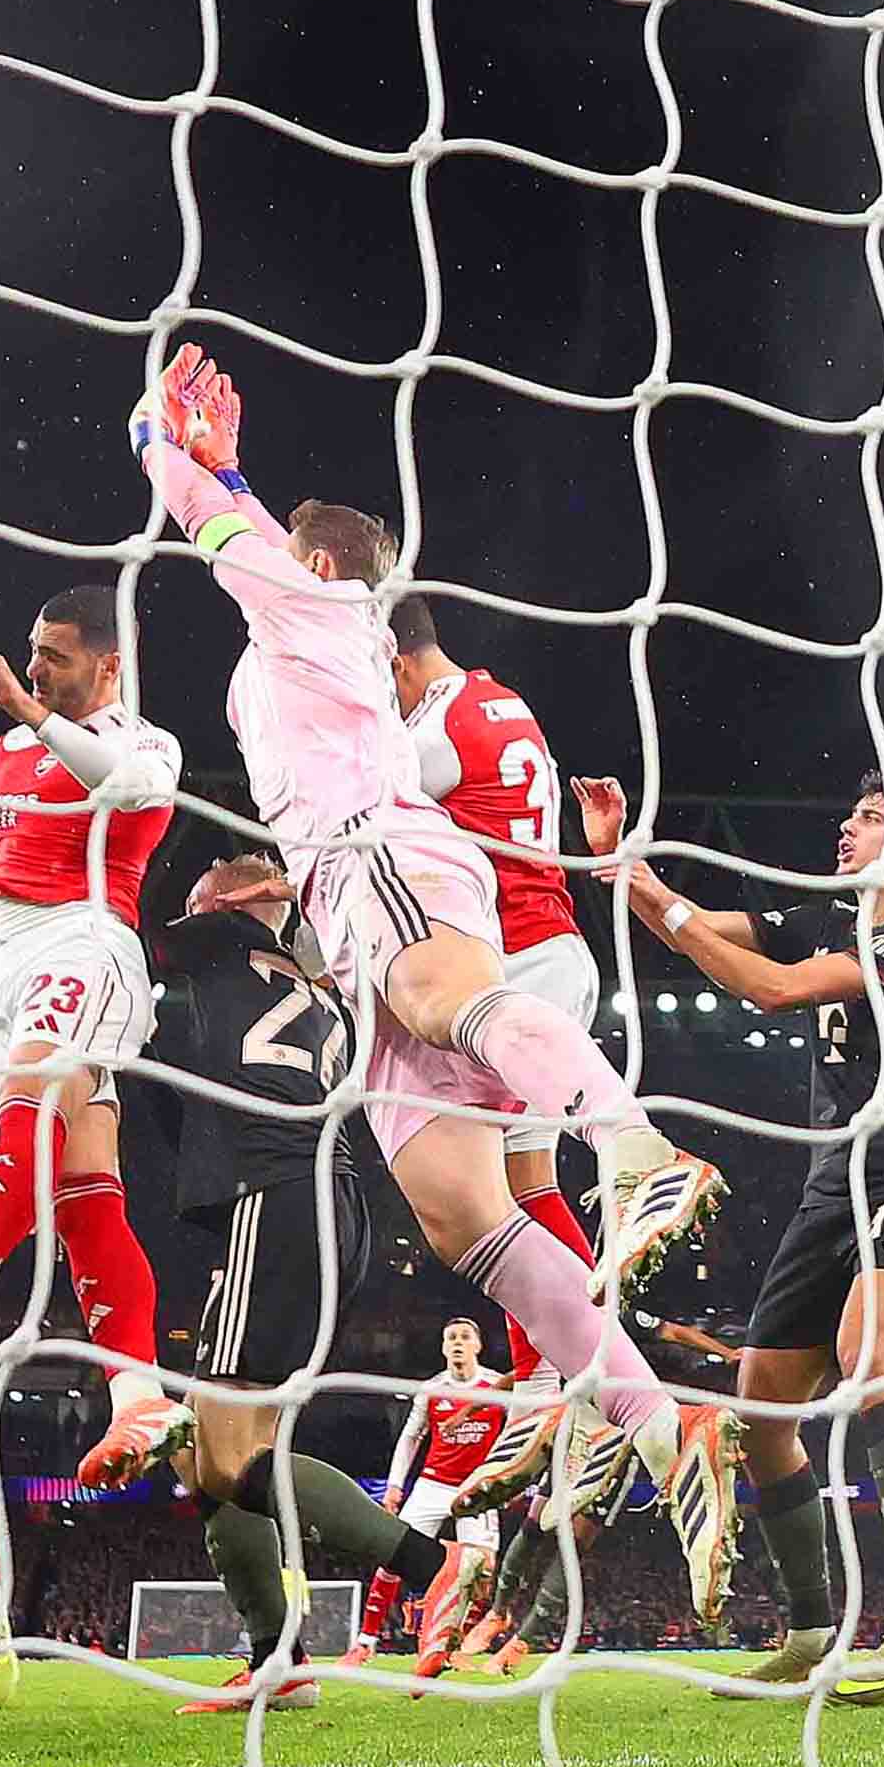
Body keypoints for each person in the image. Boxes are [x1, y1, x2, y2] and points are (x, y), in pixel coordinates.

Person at [133, 344, 733, 1621]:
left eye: (288, 541)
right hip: (343, 901)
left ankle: (635, 1148)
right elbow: (230, 527)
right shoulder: (291, 641)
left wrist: (165, 437)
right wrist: (229, 467)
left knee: (439, 994)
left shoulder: (310, 607)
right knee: (463, 1222)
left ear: (325, 566)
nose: (269, 550)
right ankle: (660, 1423)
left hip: (386, 859)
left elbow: (199, 519)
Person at [613, 774, 884, 1697]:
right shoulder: (827, 924)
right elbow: (702, 926)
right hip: (827, 1188)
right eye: (850, 813)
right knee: (762, 1406)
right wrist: (626, 864)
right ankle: (813, 1629)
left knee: (867, 1359)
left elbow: (769, 990)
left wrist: (671, 913)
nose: (847, 827)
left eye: (871, 817)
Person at [116, 849, 472, 1712]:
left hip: (269, 1200)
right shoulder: (328, 992)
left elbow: (128, 931)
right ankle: (280, 1663)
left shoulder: (215, 942)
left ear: (234, 900)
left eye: (206, 888)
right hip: (328, 1203)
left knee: (230, 1458)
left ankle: (434, 1563)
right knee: (213, 1453)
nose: (193, 902)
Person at [0, 579, 188, 1481]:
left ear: (109, 665)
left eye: (56, 655)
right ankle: (140, 1398)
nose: (34, 665)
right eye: (33, 647)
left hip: (90, 941)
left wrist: (30, 708)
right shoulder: (6, 754)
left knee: (33, 1099)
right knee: (86, 1196)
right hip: (14, 958)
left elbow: (132, 786)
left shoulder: (144, 740)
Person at [386, 586, 717, 1302]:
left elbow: (356, 824)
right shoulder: (499, 700)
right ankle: (570, 1385)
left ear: (394, 658)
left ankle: (636, 1164)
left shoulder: (428, 735)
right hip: (552, 947)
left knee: (497, 1199)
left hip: (516, 965)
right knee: (522, 1183)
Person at [358, 1316, 534, 1658]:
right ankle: (366, 1642)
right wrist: (395, 1486)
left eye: (465, 1336)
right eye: (451, 1337)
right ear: (443, 1347)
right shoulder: (432, 1389)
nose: (457, 1342)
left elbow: (517, 1434)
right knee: (393, 1555)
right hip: (433, 1484)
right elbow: (410, 1438)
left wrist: (511, 1480)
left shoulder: (497, 1387)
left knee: (483, 1570)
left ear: (478, 1346)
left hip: (477, 1490)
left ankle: (459, 1640)